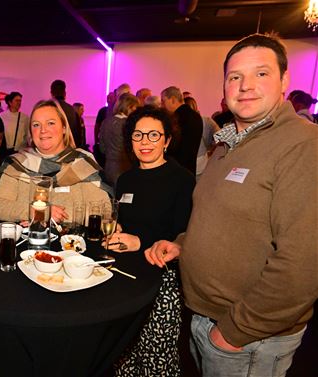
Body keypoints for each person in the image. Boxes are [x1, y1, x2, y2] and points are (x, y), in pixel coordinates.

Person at [146, 33, 318, 377]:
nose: (246, 85)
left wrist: (233, 332)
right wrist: (183, 245)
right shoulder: (227, 144)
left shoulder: (303, 145)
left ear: (284, 80)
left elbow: (303, 264)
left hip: (249, 338)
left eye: (262, 74)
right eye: (235, 76)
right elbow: (224, 219)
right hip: (207, 319)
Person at [106, 106, 195, 376]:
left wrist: (140, 241)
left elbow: (182, 233)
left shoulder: (182, 180)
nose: (145, 142)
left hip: (161, 280)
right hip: (125, 275)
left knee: (157, 359)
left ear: (167, 140)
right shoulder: (126, 180)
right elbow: (129, 220)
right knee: (123, 355)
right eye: (138, 135)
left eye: (154, 135)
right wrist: (118, 226)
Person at [0, 99, 110, 224]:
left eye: (50, 123)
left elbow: (103, 210)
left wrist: (45, 217)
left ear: (64, 128)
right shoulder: (18, 163)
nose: (43, 130)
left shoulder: (82, 163)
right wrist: (34, 212)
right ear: (31, 131)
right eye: (36, 125)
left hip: (72, 242)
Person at [161, 86, 203, 174]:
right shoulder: (196, 116)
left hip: (175, 170)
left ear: (172, 99)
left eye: (163, 101)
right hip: (190, 169)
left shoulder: (176, 118)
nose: (162, 105)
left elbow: (173, 147)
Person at [100, 93, 139, 186]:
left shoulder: (106, 121)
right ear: (129, 107)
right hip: (125, 167)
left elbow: (102, 148)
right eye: (135, 108)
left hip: (108, 167)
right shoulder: (128, 124)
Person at [183, 96, 219, 178]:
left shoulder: (179, 122)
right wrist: (211, 148)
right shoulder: (206, 120)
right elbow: (220, 137)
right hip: (202, 161)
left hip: (186, 163)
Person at [50, 79, 83, 148]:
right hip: (69, 150)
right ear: (65, 93)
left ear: (51, 92)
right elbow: (78, 136)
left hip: (51, 149)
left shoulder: (45, 109)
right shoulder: (72, 111)